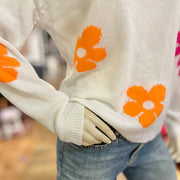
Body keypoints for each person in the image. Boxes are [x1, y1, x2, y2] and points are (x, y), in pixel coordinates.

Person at [0, 1, 180, 179]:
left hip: (151, 130)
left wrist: (175, 119)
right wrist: (55, 110)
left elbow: (171, 43)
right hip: (94, 132)